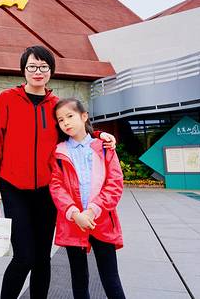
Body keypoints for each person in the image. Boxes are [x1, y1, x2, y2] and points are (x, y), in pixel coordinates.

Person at [0, 46, 116, 299]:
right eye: (32, 67)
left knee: (43, 259)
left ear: (50, 71)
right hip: (14, 187)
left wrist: (99, 135)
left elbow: (76, 129)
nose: (38, 72)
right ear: (23, 70)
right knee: (24, 257)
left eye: (43, 67)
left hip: (48, 190)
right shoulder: (7, 99)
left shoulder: (56, 105)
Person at [50, 98, 125, 299]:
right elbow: (56, 187)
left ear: (84, 117)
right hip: (73, 222)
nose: (65, 122)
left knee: (110, 277)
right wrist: (75, 214)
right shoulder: (58, 152)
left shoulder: (104, 147)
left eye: (70, 116)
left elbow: (115, 183)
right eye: (60, 120)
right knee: (78, 277)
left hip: (101, 221)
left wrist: (92, 210)